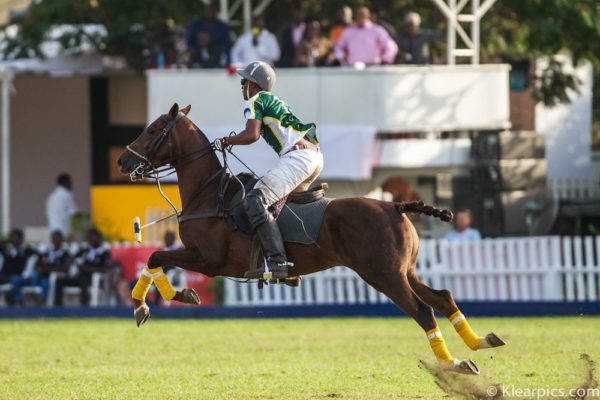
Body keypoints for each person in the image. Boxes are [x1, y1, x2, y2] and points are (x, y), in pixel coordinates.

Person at [212, 62, 323, 279]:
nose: (242, 85)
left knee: (255, 201)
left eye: (244, 81)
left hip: (298, 157)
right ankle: (289, 256)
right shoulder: (275, 100)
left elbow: (251, 134)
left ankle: (278, 262)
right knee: (275, 207)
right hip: (314, 156)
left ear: (254, 85)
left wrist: (227, 141)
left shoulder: (256, 100)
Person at [54, 228, 112, 306]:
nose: (90, 240)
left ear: (98, 238)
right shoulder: (85, 250)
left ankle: (83, 307)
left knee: (83, 280)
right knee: (59, 281)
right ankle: (57, 307)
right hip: (79, 277)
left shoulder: (104, 253)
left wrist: (86, 268)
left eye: (92, 238)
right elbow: (72, 258)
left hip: (94, 279)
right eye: (89, 238)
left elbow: (105, 269)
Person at [0, 229, 38, 305]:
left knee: (15, 280)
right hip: (4, 276)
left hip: (20, 277)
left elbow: (38, 254)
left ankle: (18, 302)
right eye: (12, 237)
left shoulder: (26, 250)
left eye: (16, 237)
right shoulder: (5, 249)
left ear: (21, 239)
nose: (14, 239)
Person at [35, 230, 72, 304]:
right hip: (42, 276)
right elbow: (37, 265)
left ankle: (42, 302)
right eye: (54, 238)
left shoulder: (65, 253)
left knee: (46, 282)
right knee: (34, 276)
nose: (55, 240)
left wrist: (49, 270)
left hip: (54, 278)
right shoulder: (46, 251)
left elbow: (66, 268)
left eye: (57, 238)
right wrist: (39, 269)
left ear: (61, 239)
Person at [46, 173, 78, 237]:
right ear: (65, 182)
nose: (71, 185)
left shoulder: (51, 197)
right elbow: (73, 213)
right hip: (64, 232)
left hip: (53, 232)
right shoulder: (67, 194)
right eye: (70, 182)